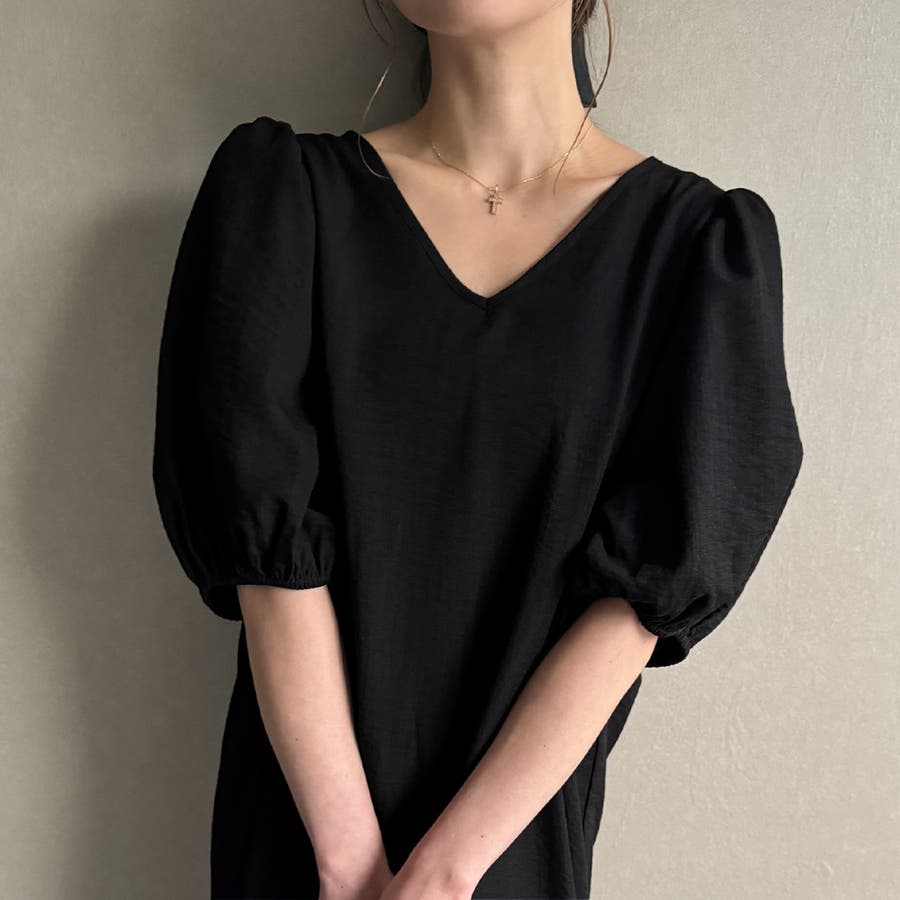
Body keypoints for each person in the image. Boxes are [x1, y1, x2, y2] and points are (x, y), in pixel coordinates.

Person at [151, 2, 804, 898]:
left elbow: (648, 593)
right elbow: (263, 542)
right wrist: (350, 866)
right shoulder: (282, 198)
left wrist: (447, 873)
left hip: (511, 849)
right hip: (302, 841)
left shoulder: (696, 251)